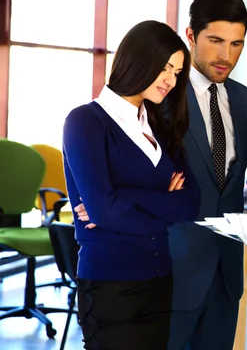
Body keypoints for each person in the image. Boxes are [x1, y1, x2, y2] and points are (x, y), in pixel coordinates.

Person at [62, 20, 202, 350]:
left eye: (177, 72)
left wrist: (121, 199)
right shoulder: (85, 122)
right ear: (139, 59)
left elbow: (190, 202)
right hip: (111, 283)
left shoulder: (160, 126)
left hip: (159, 279)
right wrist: (158, 201)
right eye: (166, 68)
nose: (171, 80)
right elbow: (103, 210)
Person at [167, 0, 247, 350]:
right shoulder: (163, 98)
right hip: (173, 271)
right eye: (216, 40)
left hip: (226, 273)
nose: (226, 55)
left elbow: (230, 187)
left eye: (236, 44)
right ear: (190, 35)